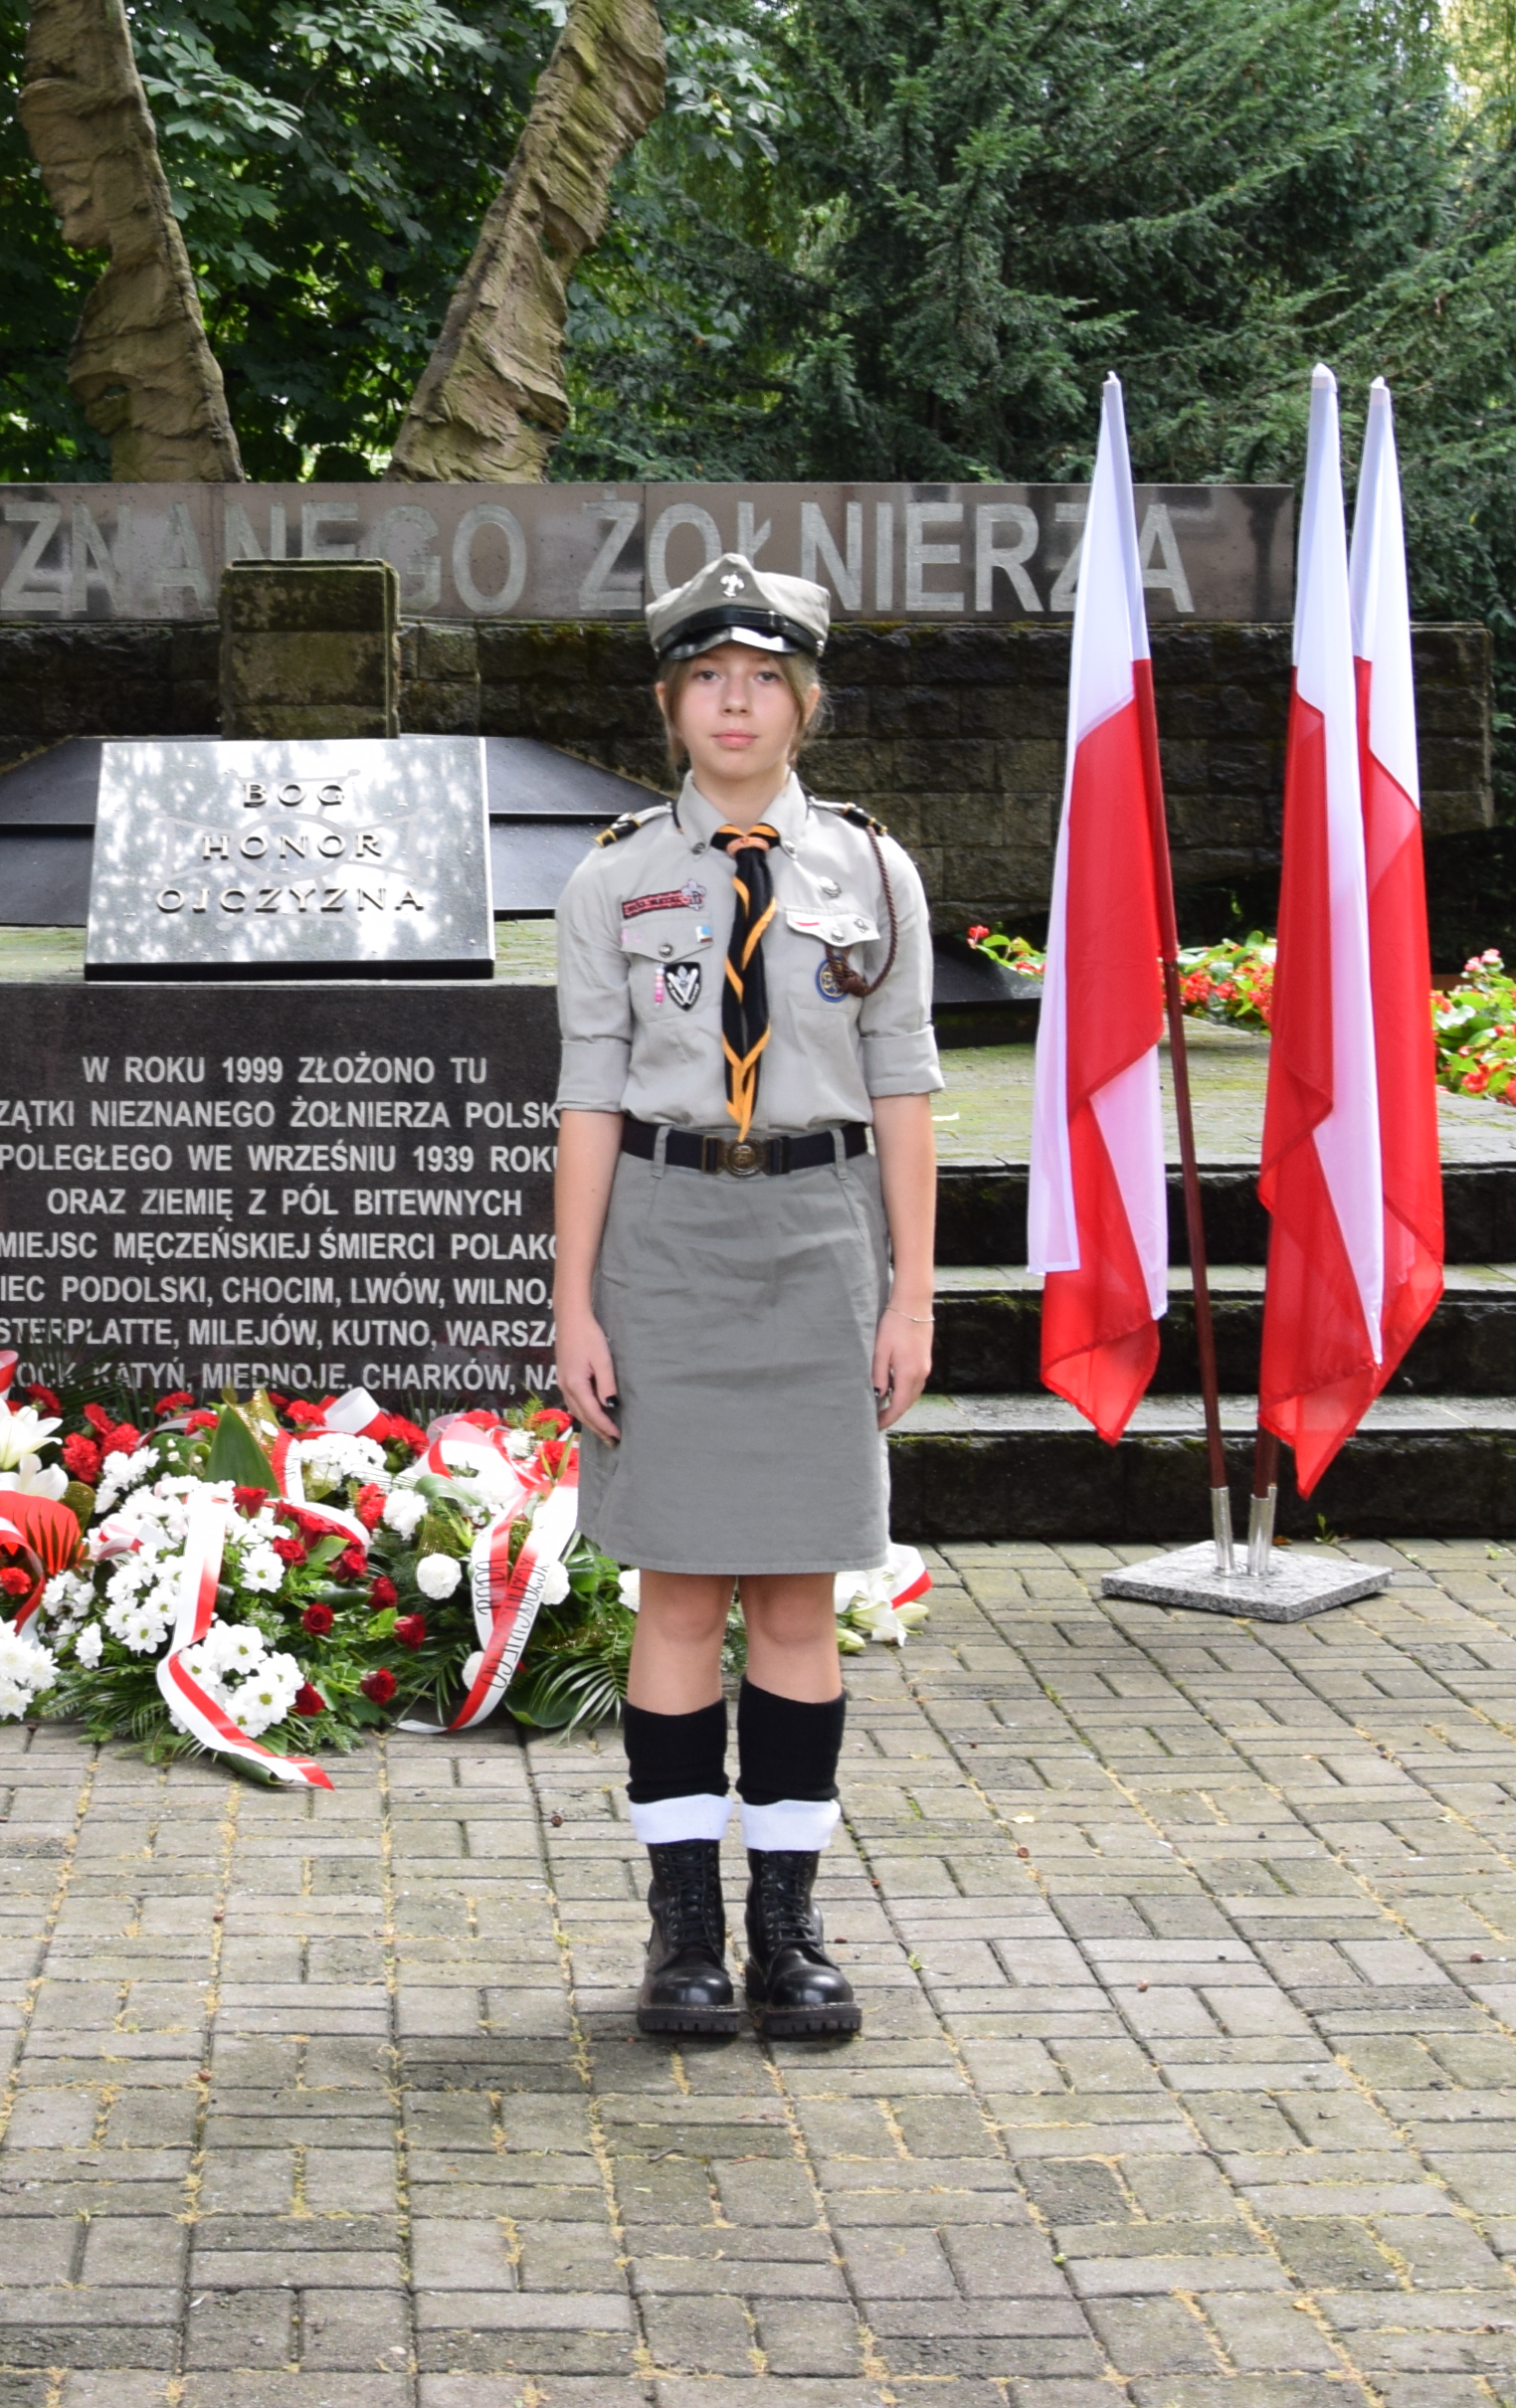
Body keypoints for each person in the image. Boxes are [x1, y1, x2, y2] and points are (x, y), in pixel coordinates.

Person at [549, 552, 941, 2044]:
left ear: (805, 703)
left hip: (822, 1234)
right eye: (709, 677)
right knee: (677, 1592)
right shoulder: (610, 877)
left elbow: (903, 1083)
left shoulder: (870, 871)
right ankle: (684, 1933)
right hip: (663, 1235)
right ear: (671, 706)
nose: (736, 700)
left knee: (795, 1592)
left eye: (764, 677)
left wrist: (912, 1291)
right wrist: (572, 1300)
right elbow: (590, 1091)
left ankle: (790, 1923)